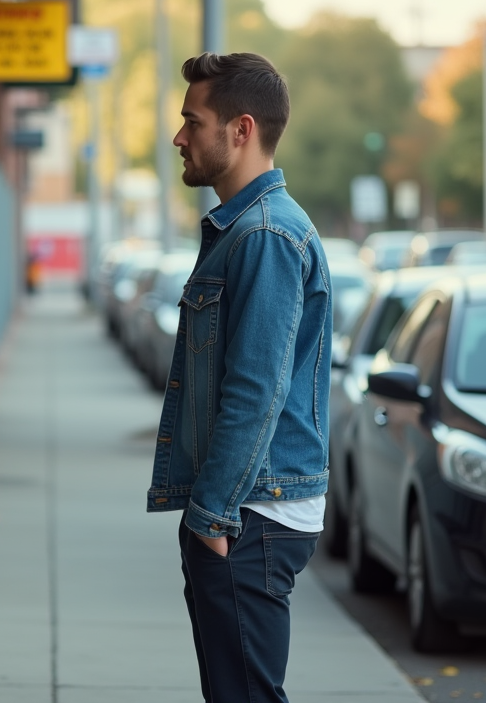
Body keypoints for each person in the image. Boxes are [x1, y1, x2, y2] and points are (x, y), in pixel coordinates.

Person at [146, 52, 332, 703]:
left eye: (192, 121)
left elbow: (256, 389)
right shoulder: (248, 229)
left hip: (249, 511)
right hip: (247, 508)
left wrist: (211, 516)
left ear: (241, 129)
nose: (179, 137)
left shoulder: (264, 236)